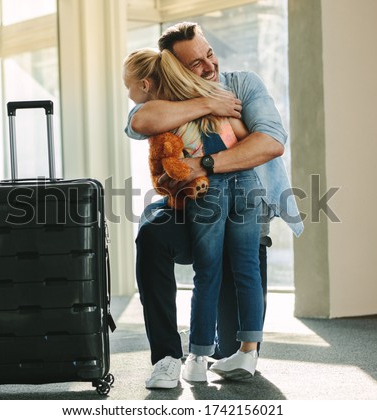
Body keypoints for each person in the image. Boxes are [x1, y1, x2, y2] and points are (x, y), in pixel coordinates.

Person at [125, 22, 303, 389]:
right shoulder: (171, 94)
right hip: (187, 206)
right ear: (174, 70)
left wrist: (202, 164)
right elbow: (139, 121)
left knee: (229, 338)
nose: (209, 67)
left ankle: (224, 352)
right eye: (195, 64)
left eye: (209, 54)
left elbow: (270, 141)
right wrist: (207, 102)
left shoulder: (244, 84)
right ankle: (168, 357)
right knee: (152, 235)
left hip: (231, 196)